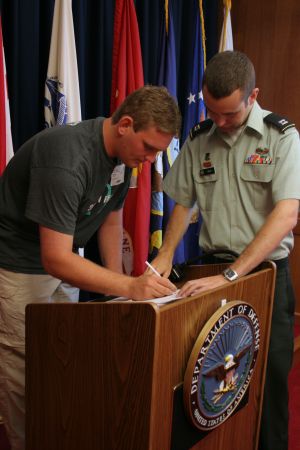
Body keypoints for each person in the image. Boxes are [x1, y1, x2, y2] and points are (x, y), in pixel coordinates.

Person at [0, 85, 180, 450]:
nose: (150, 160)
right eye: (148, 148)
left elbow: (110, 220)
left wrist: (117, 288)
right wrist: (131, 288)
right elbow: (55, 258)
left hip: (65, 262)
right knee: (25, 371)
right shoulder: (67, 159)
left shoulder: (126, 158)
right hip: (20, 266)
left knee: (65, 360)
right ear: (125, 124)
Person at [151, 51, 300, 450]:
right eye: (212, 112)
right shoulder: (201, 137)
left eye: (229, 114)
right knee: (211, 388)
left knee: (267, 383)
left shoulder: (282, 138)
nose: (219, 122)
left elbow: (286, 215)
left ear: (253, 96)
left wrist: (234, 273)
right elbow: (183, 201)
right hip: (210, 275)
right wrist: (164, 256)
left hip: (265, 277)